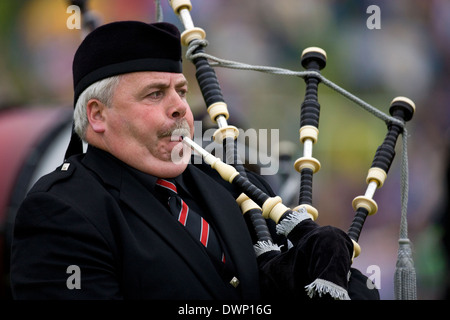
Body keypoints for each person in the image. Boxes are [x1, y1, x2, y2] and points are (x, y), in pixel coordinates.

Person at [10, 21, 378, 300]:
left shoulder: (224, 182)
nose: (181, 108)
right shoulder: (61, 210)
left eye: (181, 91)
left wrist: (320, 270)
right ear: (97, 116)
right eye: (155, 94)